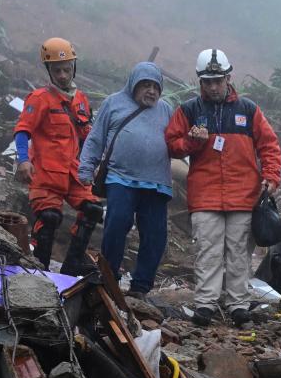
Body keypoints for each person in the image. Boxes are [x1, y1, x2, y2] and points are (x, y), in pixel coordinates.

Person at [166, 48, 281, 326]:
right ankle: (205, 304)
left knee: (240, 252)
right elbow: (171, 143)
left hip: (244, 194)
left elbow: (269, 145)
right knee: (208, 250)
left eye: (218, 80)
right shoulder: (189, 110)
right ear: (200, 81)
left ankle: (238, 305)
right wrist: (192, 143)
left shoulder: (249, 110)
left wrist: (272, 176)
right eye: (208, 81)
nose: (214, 86)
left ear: (229, 77)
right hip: (205, 195)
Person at [77, 62, 174, 298]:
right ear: (133, 85)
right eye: (145, 85)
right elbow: (96, 138)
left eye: (155, 87)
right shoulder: (114, 103)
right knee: (116, 224)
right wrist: (86, 167)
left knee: (155, 235)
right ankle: (109, 277)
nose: (151, 91)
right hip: (121, 178)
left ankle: (141, 286)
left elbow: (179, 141)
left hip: (157, 183)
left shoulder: (167, 109)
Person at [14, 37, 95, 270]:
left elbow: (88, 136)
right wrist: (23, 160)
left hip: (74, 172)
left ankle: (72, 267)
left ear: (74, 68)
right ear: (49, 71)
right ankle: (39, 270)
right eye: (57, 70)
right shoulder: (39, 98)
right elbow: (22, 130)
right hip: (46, 174)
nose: (62, 75)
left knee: (93, 210)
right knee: (50, 218)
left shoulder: (81, 100)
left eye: (66, 69)